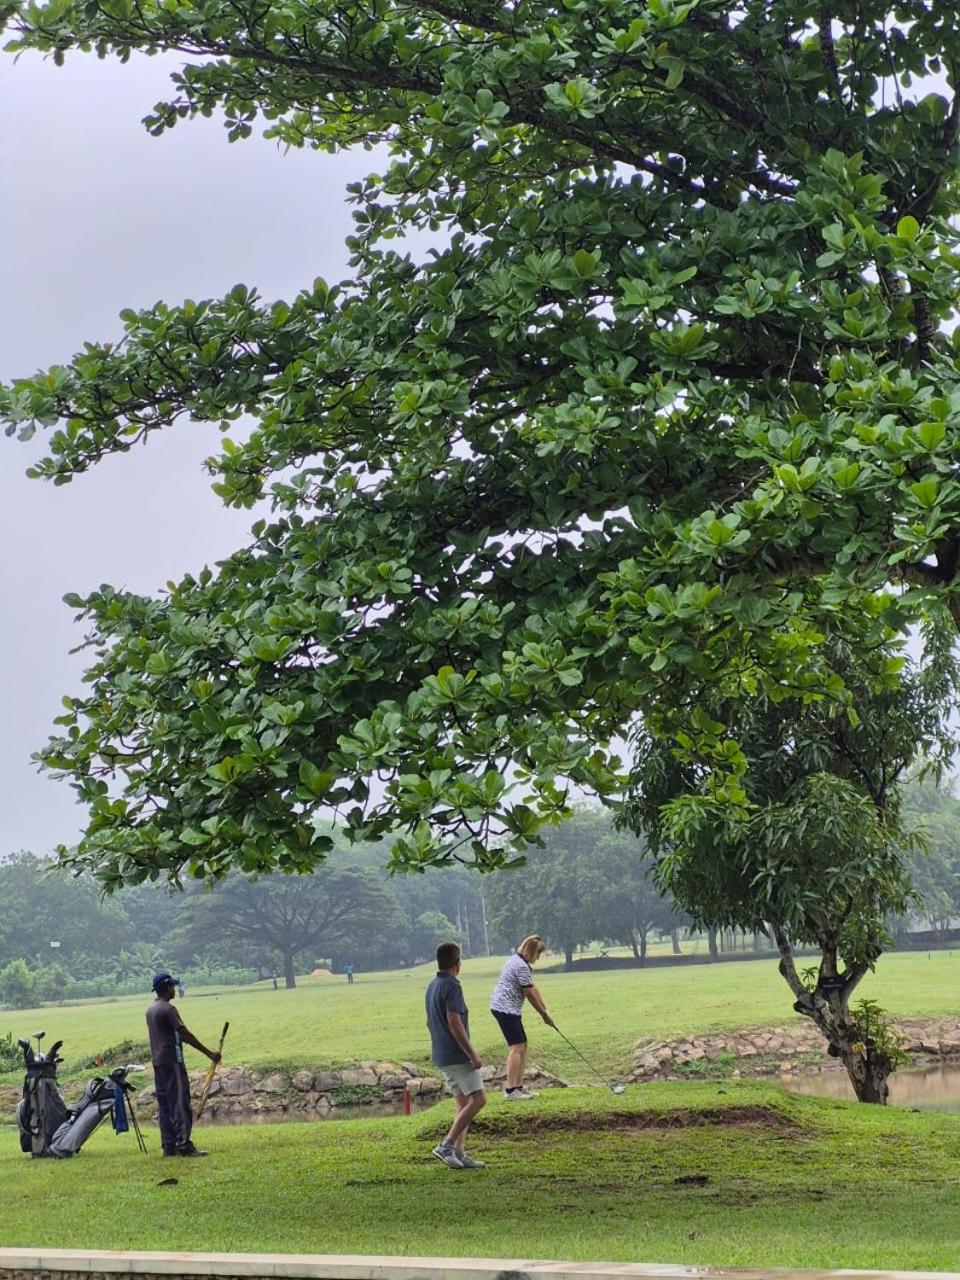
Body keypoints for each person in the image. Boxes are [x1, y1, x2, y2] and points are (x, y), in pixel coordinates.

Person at [424, 941, 486, 1169]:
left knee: (462, 1102)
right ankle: (447, 1145)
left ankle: (459, 1153)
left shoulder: (432, 986)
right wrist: (471, 1052)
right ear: (457, 964)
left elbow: (430, 1022)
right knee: (479, 1099)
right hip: (457, 1055)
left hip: (442, 1055)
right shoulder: (452, 986)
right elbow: (454, 1021)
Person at [145, 972, 221, 1157]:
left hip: (158, 1062)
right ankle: (184, 1145)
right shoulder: (168, 1009)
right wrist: (209, 1053)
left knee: (165, 1105)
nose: (174, 990)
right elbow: (184, 1034)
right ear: (166, 988)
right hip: (172, 1061)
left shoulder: (151, 1009)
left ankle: (169, 1146)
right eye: (172, 986)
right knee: (180, 1102)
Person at [490, 934, 554, 1100]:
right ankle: (512, 1090)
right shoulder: (521, 966)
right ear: (531, 952)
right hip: (505, 1009)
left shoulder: (518, 961)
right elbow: (530, 995)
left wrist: (546, 1011)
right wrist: (543, 1015)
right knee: (516, 1047)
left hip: (508, 1008)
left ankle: (518, 1087)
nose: (538, 958)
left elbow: (533, 988)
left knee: (522, 1045)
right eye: (538, 954)